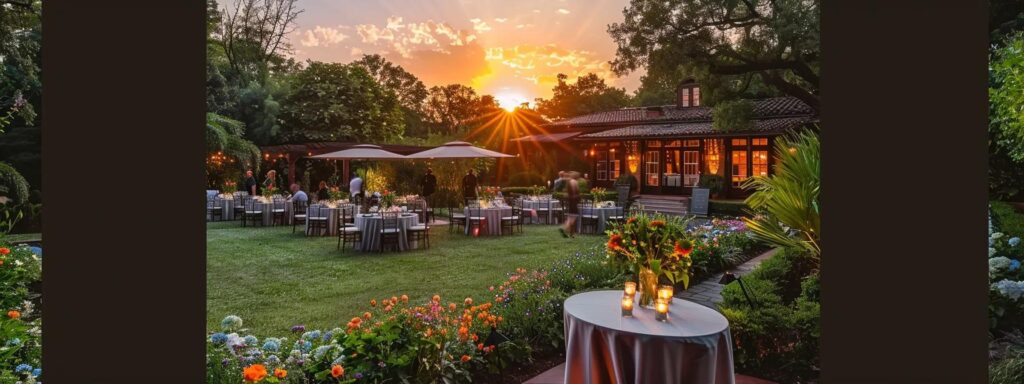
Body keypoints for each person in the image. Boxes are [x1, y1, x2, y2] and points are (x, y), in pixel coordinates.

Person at [559, 171, 581, 238]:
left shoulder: (569, 182)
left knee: (571, 217)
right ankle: (564, 229)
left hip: (570, 201)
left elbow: (566, 193)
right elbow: (576, 192)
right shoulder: (574, 182)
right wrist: (578, 197)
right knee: (573, 217)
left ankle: (571, 234)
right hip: (573, 201)